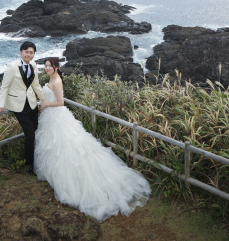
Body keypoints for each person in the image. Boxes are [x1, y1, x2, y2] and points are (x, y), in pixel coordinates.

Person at [35, 57, 151, 221]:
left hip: (57, 117)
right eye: (45, 66)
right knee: (53, 147)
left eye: (49, 66)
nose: (47, 68)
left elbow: (60, 102)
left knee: (66, 148)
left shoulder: (57, 81)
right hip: (49, 119)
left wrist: (46, 104)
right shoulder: (51, 79)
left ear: (56, 67)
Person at [0, 41, 45, 174]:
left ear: (34, 54)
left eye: (31, 52)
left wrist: (44, 101)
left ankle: (37, 160)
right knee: (30, 135)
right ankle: (29, 166)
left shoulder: (33, 65)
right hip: (18, 106)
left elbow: (36, 85)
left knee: (36, 131)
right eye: (26, 52)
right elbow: (4, 88)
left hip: (32, 103)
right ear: (21, 52)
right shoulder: (11, 67)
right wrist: (1, 106)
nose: (29, 54)